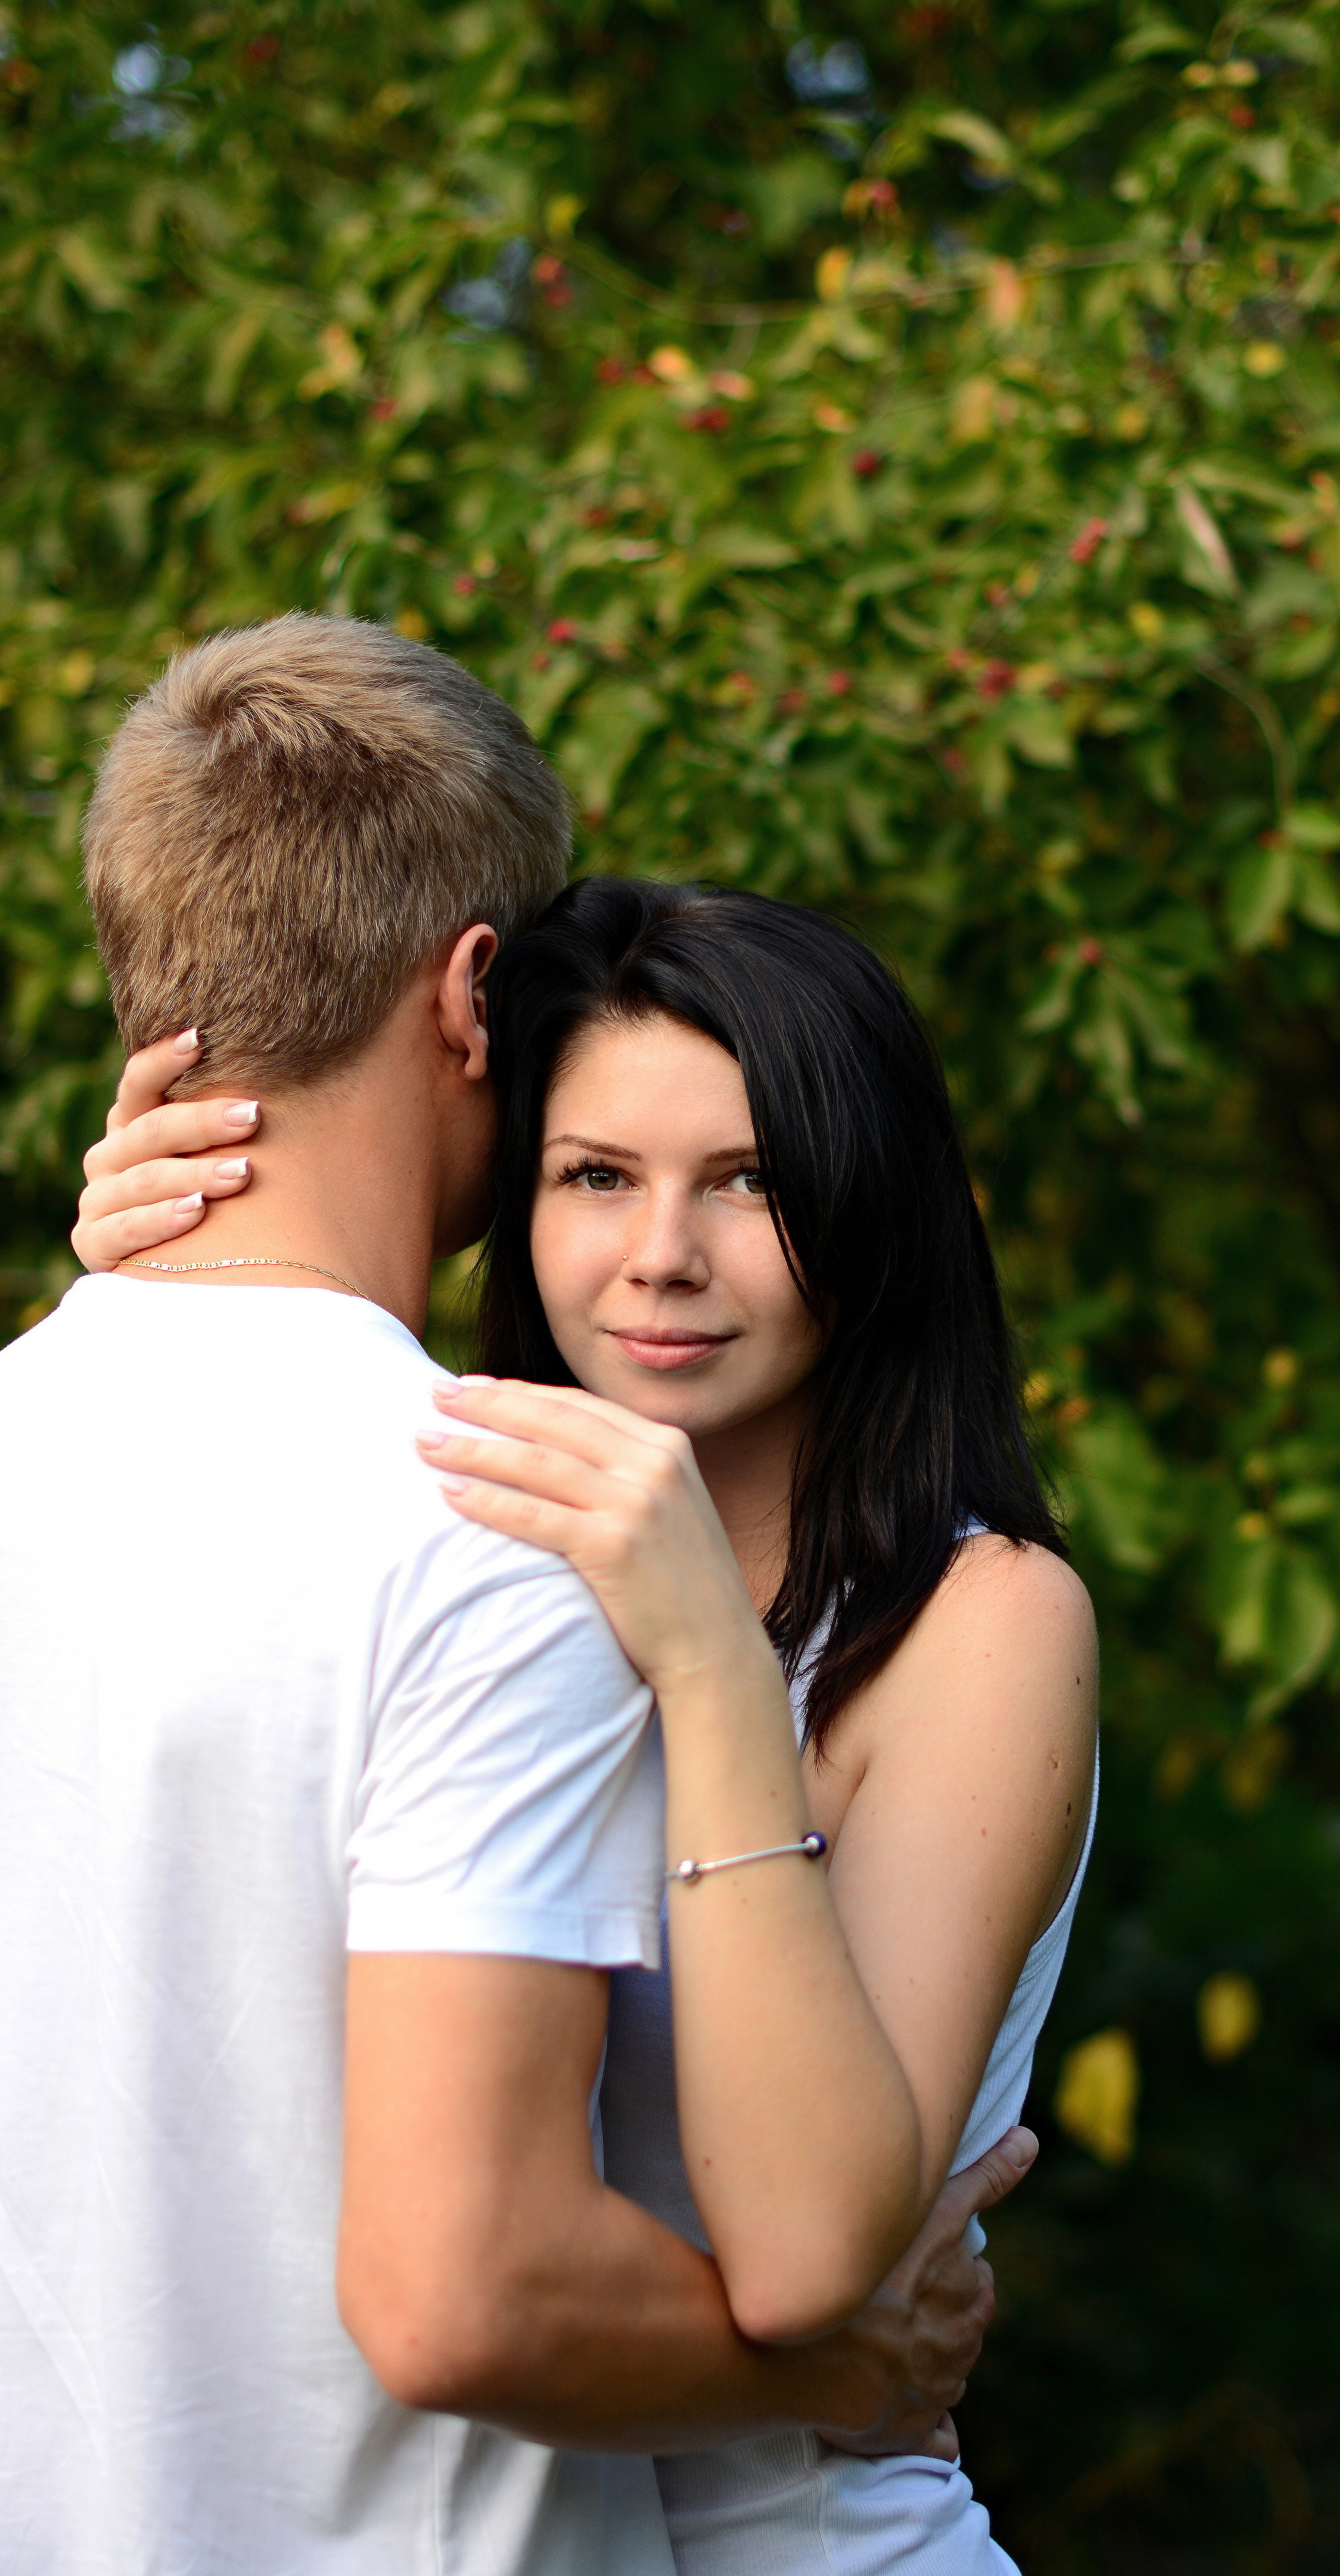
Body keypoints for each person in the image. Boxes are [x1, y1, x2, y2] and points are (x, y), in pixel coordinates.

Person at [7, 616, 1013, 2576]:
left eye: (739, 1180)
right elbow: (465, 2292)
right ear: (478, 998)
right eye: (597, 1170)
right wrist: (829, 2370)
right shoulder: (489, 1532)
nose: (661, 1255)